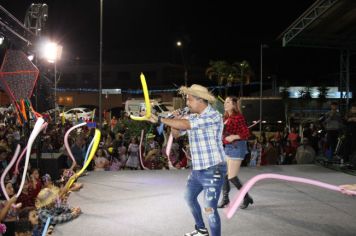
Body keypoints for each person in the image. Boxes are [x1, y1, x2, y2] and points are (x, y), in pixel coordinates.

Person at [148, 84, 226, 236]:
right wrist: (175, 120)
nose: (187, 103)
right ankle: (201, 230)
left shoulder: (213, 116)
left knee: (210, 208)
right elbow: (177, 134)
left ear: (200, 100)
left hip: (213, 168)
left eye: (189, 100)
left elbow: (186, 125)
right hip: (198, 169)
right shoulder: (192, 116)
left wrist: (160, 119)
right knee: (189, 198)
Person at [217, 96, 253, 209]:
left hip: (237, 148)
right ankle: (225, 199)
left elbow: (246, 133)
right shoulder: (225, 117)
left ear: (234, 104)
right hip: (228, 148)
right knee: (224, 174)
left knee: (232, 177)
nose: (225, 104)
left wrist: (234, 137)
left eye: (228, 102)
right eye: (225, 102)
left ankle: (246, 197)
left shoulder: (238, 117)